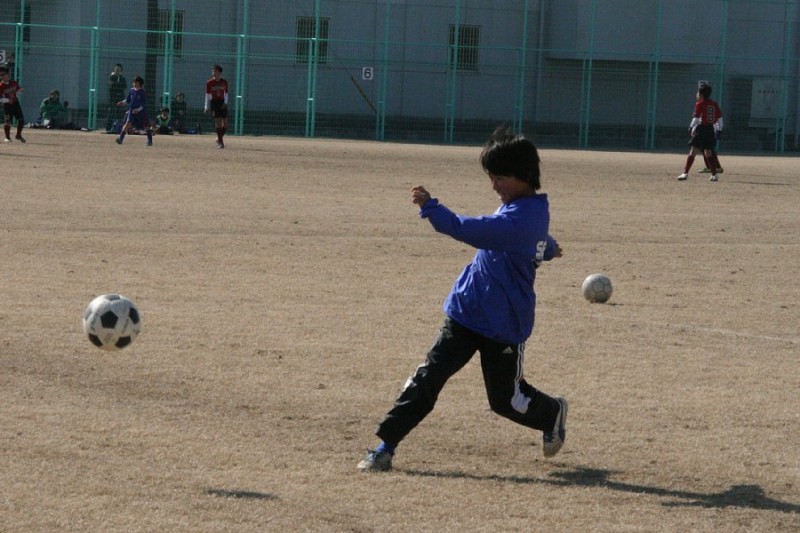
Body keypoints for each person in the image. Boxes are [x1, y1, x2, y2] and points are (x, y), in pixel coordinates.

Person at [357, 127, 567, 472]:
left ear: (523, 175)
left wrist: (431, 208)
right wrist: (549, 247)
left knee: (506, 402)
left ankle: (552, 412)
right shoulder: (520, 209)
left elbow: (467, 229)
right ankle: (385, 447)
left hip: (503, 325)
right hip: (466, 311)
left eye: (499, 178)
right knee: (428, 377)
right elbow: (532, 240)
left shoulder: (521, 218)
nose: (493, 185)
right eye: (491, 177)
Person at [677, 83, 724, 182]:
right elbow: (720, 118)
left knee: (693, 151)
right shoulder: (714, 104)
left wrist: (691, 127)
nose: (697, 94)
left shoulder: (700, 104)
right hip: (710, 130)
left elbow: (696, 117)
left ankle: (685, 173)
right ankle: (714, 175)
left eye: (698, 93)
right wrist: (719, 130)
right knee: (708, 152)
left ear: (701, 95)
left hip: (701, 129)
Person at [115, 75, 153, 146]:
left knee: (146, 126)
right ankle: (120, 139)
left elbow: (143, 104)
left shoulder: (142, 92)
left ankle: (150, 141)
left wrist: (138, 110)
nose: (134, 83)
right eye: (134, 82)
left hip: (141, 112)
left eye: (136, 82)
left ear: (140, 83)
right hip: (132, 111)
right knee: (127, 125)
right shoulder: (131, 90)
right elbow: (128, 100)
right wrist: (122, 102)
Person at [204, 64, 229, 148]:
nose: (213, 72)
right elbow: (207, 95)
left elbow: (226, 93)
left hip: (222, 102)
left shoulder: (224, 82)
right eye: (212, 70)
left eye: (215, 70)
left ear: (219, 72)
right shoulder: (209, 82)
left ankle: (219, 138)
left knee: (225, 123)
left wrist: (225, 103)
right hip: (214, 103)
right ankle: (220, 142)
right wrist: (206, 106)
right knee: (218, 121)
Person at [0, 66, 26, 143]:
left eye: (3, 74)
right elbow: (0, 98)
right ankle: (7, 137)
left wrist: (20, 90)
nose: (2, 76)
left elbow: (18, 89)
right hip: (7, 105)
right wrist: (8, 100)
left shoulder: (14, 82)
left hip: (15, 103)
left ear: (8, 75)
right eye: (1, 75)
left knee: (21, 120)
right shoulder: (1, 86)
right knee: (8, 122)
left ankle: (18, 135)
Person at [106, 63, 127, 131]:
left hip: (120, 97)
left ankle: (118, 127)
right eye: (116, 70)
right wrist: (117, 85)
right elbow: (111, 85)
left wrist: (117, 85)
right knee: (111, 112)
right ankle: (108, 127)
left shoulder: (122, 78)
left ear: (121, 71)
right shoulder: (111, 77)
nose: (117, 71)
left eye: (119, 70)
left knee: (119, 112)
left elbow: (124, 86)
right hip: (113, 97)